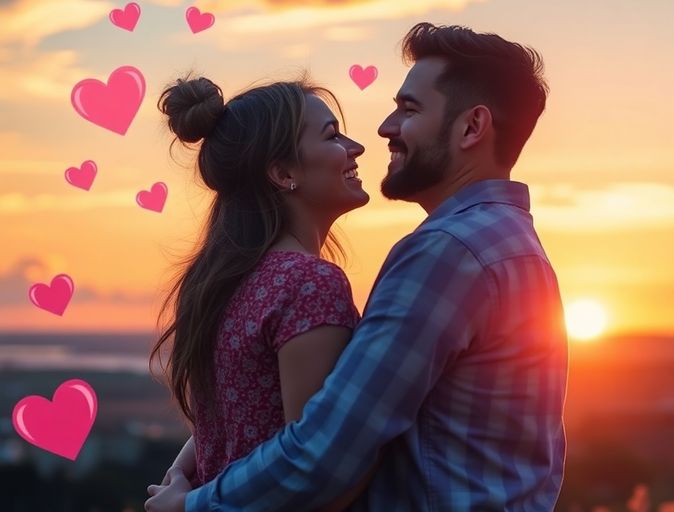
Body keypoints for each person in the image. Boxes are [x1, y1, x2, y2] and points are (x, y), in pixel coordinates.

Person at [146, 22, 568, 512]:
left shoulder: (448, 252)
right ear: (282, 174)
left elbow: (325, 458)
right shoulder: (511, 245)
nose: (382, 130)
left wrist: (191, 502)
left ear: (472, 127)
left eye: (408, 109)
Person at [148, 72, 371, 512]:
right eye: (332, 136)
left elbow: (236, 412)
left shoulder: (223, 280)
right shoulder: (309, 284)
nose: (355, 147)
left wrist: (180, 476)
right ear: (283, 172)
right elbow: (313, 467)